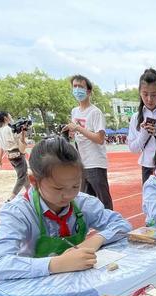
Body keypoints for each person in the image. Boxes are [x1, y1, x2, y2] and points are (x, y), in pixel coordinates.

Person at [0, 137, 131, 282]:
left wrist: (94, 241)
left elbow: (122, 225)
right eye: (58, 188)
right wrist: (57, 263)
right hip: (35, 289)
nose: (68, 195)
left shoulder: (83, 203)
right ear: (34, 181)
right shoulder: (19, 213)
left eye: (75, 186)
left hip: (77, 284)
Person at [63, 75, 113, 210]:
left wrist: (78, 128)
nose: (77, 90)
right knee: (84, 201)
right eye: (75, 86)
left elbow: (100, 138)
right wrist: (70, 132)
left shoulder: (95, 113)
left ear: (89, 91)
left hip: (95, 163)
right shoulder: (75, 111)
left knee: (103, 201)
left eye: (81, 87)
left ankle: (112, 227)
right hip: (81, 163)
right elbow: (77, 137)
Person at [0, 111, 29, 202]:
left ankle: (30, 192)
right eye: (9, 115)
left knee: (24, 175)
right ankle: (11, 198)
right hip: (17, 154)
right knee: (22, 177)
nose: (11, 116)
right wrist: (24, 131)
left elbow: (1, 147)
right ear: (6, 118)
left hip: (10, 156)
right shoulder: (11, 128)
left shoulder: (1, 131)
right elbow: (21, 140)